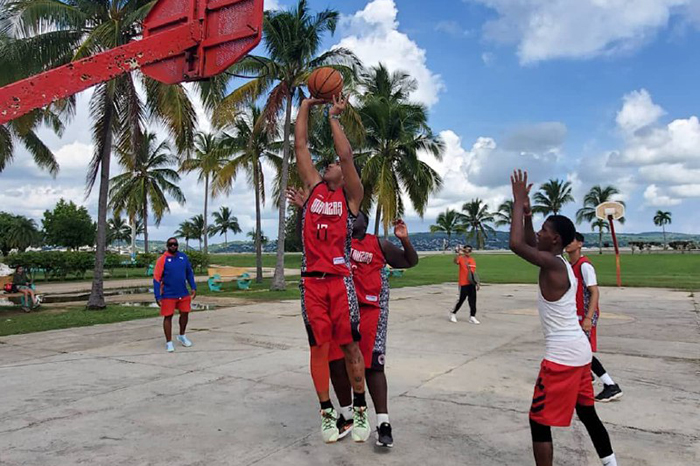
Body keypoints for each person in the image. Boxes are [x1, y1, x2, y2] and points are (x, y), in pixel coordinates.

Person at [288, 187, 419, 448]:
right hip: (342, 310)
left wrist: (404, 239)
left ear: (363, 220)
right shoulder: (334, 243)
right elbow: (311, 232)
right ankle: (347, 415)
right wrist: (305, 209)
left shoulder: (377, 244)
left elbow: (409, 261)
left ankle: (383, 422)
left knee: (372, 366)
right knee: (336, 363)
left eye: (353, 214)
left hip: (370, 311)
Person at [509, 170, 618, 466]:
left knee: (538, 420)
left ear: (555, 239)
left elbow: (518, 245)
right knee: (586, 413)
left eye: (544, 229)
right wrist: (529, 216)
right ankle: (611, 464)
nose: (540, 233)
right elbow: (531, 242)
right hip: (579, 354)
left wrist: (517, 201)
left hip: (563, 357)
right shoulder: (557, 263)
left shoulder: (555, 267)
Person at [294, 94, 370, 444]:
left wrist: (333, 117)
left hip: (340, 283)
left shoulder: (350, 195)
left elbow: (346, 156)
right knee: (318, 350)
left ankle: (360, 410)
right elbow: (300, 145)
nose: (329, 165)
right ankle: (326, 414)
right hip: (312, 283)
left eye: (333, 166)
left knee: (351, 347)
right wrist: (307, 106)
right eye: (327, 165)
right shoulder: (313, 189)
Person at [566, 233, 623, 402]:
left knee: (583, 351)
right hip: (576, 314)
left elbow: (594, 291)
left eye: (571, 241)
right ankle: (586, 376)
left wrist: (589, 317)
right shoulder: (571, 265)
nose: (568, 244)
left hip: (586, 314)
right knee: (576, 349)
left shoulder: (584, 266)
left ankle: (610, 385)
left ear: (580, 244)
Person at [153, 237, 197, 353]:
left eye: (175, 244)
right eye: (171, 244)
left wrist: (193, 287)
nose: (173, 246)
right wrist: (157, 296)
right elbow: (156, 279)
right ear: (167, 246)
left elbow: (189, 273)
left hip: (182, 292)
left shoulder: (183, 257)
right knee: (168, 316)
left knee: (185, 313)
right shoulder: (162, 260)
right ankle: (169, 342)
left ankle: (182, 335)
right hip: (168, 293)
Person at [450, 245, 481, 324]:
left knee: (473, 301)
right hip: (463, 283)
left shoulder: (472, 260)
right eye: (466, 250)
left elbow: (473, 273)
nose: (468, 252)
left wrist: (477, 282)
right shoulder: (461, 258)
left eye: (469, 250)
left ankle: (472, 316)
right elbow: (455, 261)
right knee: (461, 300)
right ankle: (453, 313)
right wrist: (458, 254)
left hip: (471, 283)